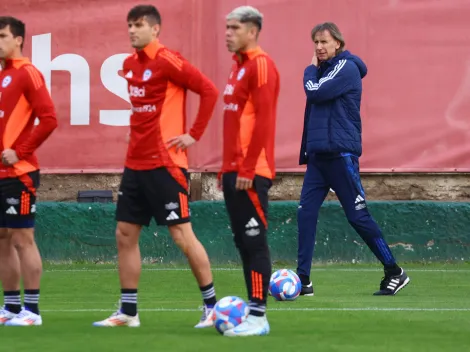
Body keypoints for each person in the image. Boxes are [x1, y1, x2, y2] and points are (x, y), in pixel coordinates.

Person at [93, 5, 219, 328]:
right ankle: (129, 312)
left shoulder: (168, 60)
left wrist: (194, 134)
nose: (132, 30)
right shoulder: (128, 64)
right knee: (124, 233)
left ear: (155, 29)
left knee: (181, 235)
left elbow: (208, 90)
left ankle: (212, 308)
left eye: (138, 25)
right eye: (129, 25)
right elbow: (145, 108)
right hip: (135, 164)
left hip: (166, 164)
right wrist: (134, 131)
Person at [297, 22, 410, 296]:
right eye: (316, 43)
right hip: (319, 158)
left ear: (338, 43)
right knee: (305, 214)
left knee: (358, 217)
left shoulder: (345, 68)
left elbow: (315, 91)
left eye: (324, 42)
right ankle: (304, 280)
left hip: (340, 156)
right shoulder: (325, 72)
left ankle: (394, 271)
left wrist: (310, 68)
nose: (319, 47)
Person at [219, 6, 280, 337]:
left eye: (234, 28)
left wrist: (244, 166)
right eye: (226, 27)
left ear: (252, 31)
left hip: (252, 171)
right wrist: (226, 168)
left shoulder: (261, 66)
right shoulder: (237, 69)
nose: (227, 33)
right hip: (234, 170)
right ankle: (252, 311)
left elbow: (264, 122)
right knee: (243, 242)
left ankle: (258, 316)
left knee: (255, 242)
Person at [0, 16, 58, 326]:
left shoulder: (28, 73)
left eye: (2, 36)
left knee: (23, 239)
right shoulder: (3, 76)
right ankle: (10, 307)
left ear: (18, 39)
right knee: (2, 239)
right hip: (0, 175)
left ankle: (32, 311)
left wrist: (19, 152)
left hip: (19, 173)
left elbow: (49, 118)